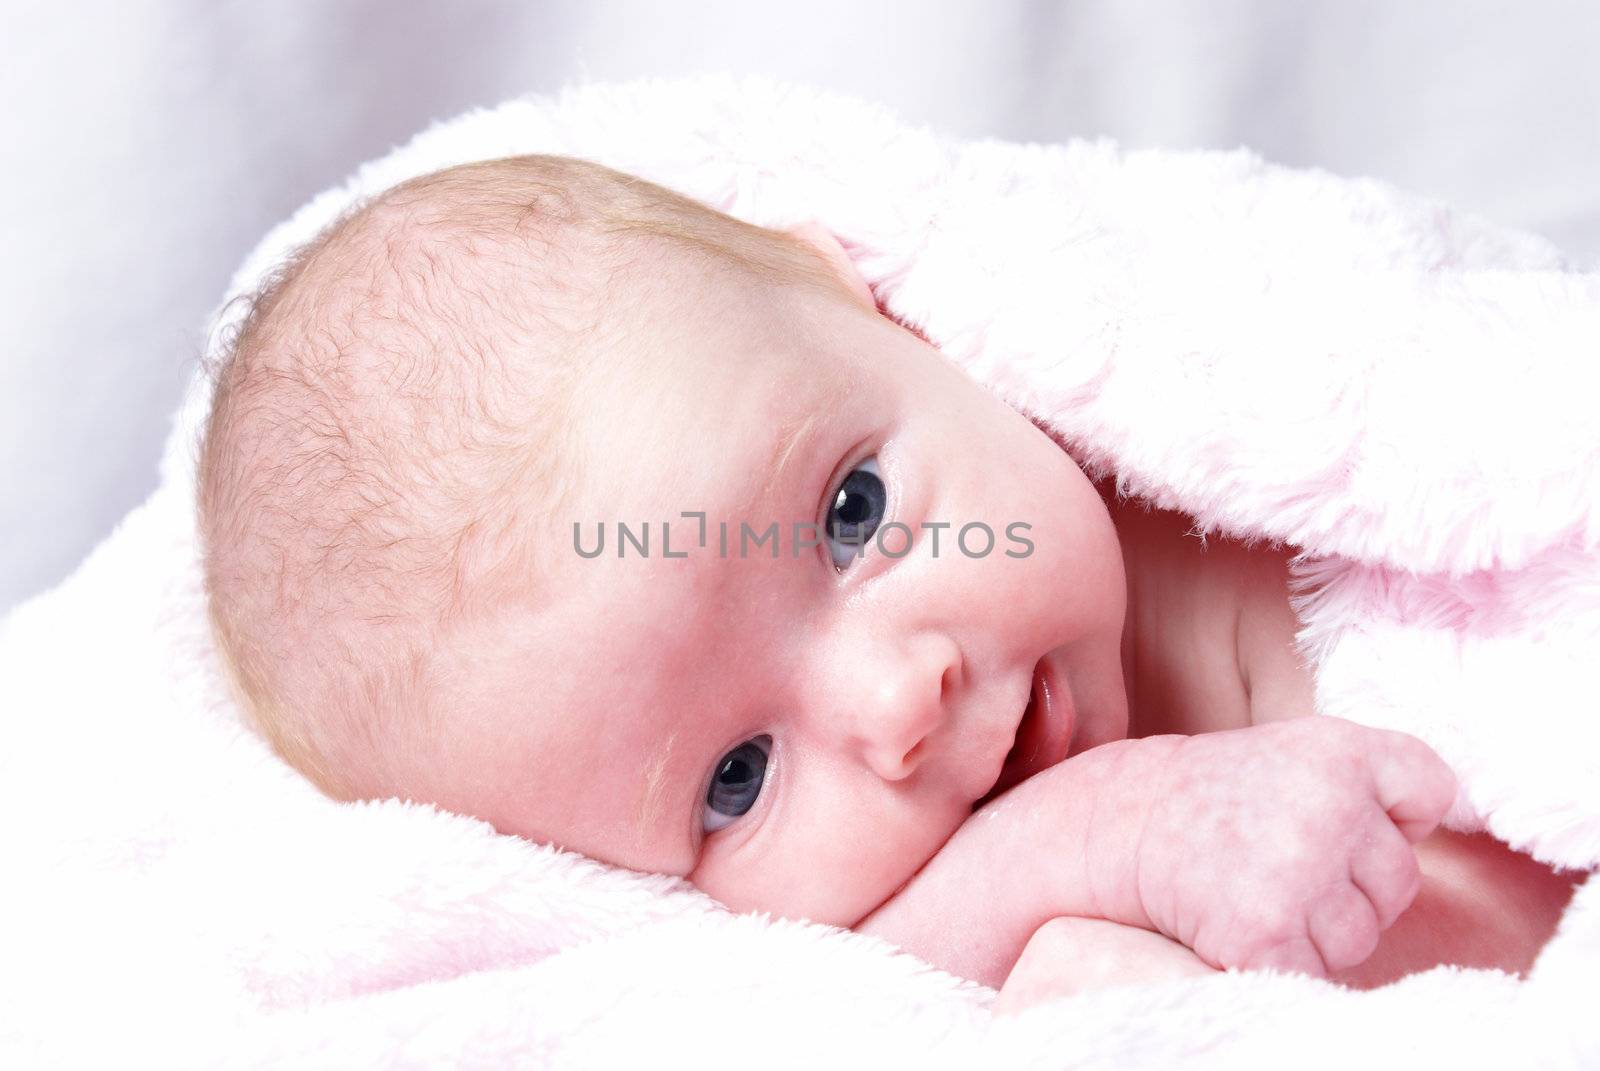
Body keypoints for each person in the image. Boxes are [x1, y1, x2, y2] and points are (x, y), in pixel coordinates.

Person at [196, 155, 1583, 1008]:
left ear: (874, 306)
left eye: (852, 514)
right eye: (734, 781)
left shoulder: (1286, 465)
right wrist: (1100, 838)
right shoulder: (881, 941)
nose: (898, 703)